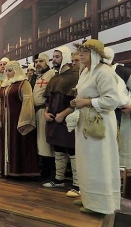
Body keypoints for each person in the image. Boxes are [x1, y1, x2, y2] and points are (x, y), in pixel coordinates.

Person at [71, 39, 120, 214]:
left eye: (84, 51)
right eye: (80, 51)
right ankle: (88, 197)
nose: (80, 54)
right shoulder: (85, 72)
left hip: (100, 122)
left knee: (99, 161)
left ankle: (101, 203)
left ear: (95, 54)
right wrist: (78, 102)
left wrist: (87, 101)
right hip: (85, 121)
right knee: (86, 161)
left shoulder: (104, 72)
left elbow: (112, 100)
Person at [43, 46, 80, 198]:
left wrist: (63, 114)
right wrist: (46, 112)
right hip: (53, 120)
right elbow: (48, 100)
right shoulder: (54, 78)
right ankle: (59, 179)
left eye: (57, 57)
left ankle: (77, 184)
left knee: (72, 151)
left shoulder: (75, 76)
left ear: (64, 57)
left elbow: (75, 101)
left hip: (68, 120)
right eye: (53, 57)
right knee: (58, 149)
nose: (54, 60)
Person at [0, 61, 39, 177]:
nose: (7, 73)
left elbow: (27, 102)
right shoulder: (4, 84)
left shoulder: (23, 83)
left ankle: (19, 171)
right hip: (5, 121)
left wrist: (24, 120)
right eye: (6, 71)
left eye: (10, 70)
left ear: (16, 70)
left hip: (17, 120)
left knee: (18, 145)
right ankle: (6, 170)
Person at [32, 53, 56, 182]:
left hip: (44, 110)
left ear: (47, 62)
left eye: (41, 61)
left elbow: (51, 94)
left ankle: (48, 173)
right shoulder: (38, 76)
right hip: (36, 111)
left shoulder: (51, 74)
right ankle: (42, 170)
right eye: (36, 61)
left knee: (45, 143)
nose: (38, 64)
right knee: (39, 142)